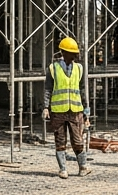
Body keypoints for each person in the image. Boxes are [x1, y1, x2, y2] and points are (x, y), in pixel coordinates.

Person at [42, 37, 92, 178]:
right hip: (58, 111)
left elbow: (83, 90)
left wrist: (86, 111)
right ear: (63, 53)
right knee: (60, 140)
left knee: (77, 140)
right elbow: (48, 89)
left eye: (75, 53)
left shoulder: (79, 68)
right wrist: (46, 107)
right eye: (71, 53)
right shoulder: (53, 68)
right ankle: (63, 169)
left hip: (75, 111)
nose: (74, 56)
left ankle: (83, 167)